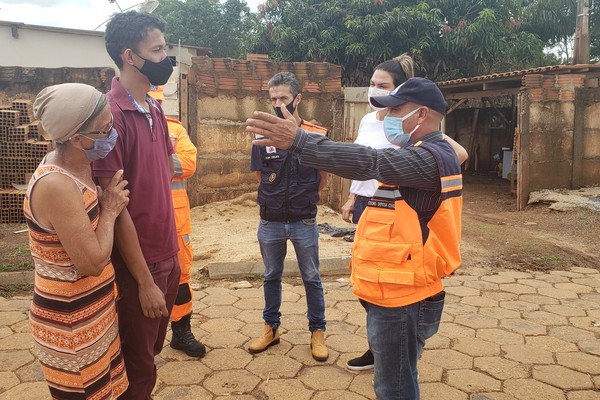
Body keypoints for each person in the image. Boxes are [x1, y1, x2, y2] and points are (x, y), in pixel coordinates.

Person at [247, 77, 463, 400]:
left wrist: (301, 142)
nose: (388, 118)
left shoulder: (425, 159)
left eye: (396, 110)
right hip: (399, 289)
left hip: (403, 297)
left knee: (395, 389)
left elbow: (370, 161)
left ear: (420, 115)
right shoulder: (425, 151)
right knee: (399, 379)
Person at [343, 56, 468, 372]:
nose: (374, 90)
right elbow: (361, 162)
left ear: (402, 94)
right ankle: (383, 345)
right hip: (368, 206)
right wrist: (350, 198)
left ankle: (397, 349)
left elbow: (458, 155)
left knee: (395, 285)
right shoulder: (371, 120)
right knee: (368, 283)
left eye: (382, 85)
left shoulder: (412, 125)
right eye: (372, 83)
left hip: (401, 211)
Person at [92, 11, 181, 399]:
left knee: (151, 352)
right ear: (130, 56)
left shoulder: (155, 109)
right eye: (158, 49)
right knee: (137, 368)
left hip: (168, 254)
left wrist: (172, 253)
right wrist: (144, 281)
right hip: (137, 265)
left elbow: (163, 175)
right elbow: (117, 206)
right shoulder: (111, 116)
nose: (167, 57)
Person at [25, 83, 130, 399]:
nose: (112, 133)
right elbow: (93, 261)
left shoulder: (79, 166)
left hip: (93, 316)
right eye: (104, 130)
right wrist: (110, 209)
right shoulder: (57, 185)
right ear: (75, 138)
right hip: (70, 325)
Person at [248, 71, 330, 361]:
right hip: (270, 219)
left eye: (283, 98)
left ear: (298, 98)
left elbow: (323, 179)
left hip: (303, 219)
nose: (278, 103)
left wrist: (301, 195)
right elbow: (261, 175)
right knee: (271, 275)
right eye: (273, 98)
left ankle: (317, 332)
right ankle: (271, 328)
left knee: (311, 276)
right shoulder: (261, 133)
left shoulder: (317, 134)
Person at [148, 86, 205, 357]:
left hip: (175, 217)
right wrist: (163, 160)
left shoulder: (175, 129)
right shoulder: (120, 123)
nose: (151, 105)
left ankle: (181, 332)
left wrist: (147, 159)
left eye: (155, 100)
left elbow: (189, 164)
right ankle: (140, 337)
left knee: (180, 276)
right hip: (139, 218)